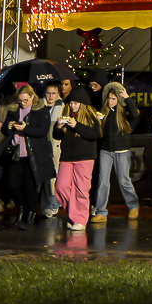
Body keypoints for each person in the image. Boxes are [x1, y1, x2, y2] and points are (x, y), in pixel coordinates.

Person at [0, 84, 50, 229]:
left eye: (26, 100)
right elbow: (5, 128)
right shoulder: (14, 109)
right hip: (15, 152)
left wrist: (26, 128)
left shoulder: (40, 110)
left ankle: (30, 214)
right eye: (21, 100)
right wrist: (7, 126)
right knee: (11, 184)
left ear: (32, 97)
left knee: (30, 186)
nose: (23, 103)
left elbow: (42, 131)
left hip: (32, 154)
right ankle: (21, 208)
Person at [91, 81, 140, 222]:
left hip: (122, 150)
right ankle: (101, 211)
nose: (110, 101)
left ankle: (133, 206)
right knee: (102, 182)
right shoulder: (103, 113)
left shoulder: (123, 113)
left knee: (124, 180)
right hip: (106, 150)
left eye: (113, 99)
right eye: (109, 98)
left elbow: (135, 115)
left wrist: (127, 98)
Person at [53, 92, 101, 229]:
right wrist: (58, 127)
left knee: (81, 189)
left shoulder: (91, 116)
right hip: (67, 157)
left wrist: (76, 125)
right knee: (60, 187)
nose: (73, 106)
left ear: (83, 104)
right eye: (71, 103)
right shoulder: (66, 115)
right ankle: (74, 213)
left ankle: (80, 220)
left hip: (85, 157)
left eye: (76, 103)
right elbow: (57, 136)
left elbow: (95, 134)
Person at [40, 81, 67, 218]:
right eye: (48, 93)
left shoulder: (63, 108)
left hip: (56, 147)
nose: (51, 96)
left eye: (54, 94)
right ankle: (47, 205)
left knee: (54, 178)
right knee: (45, 178)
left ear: (58, 94)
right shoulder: (39, 107)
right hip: (41, 146)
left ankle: (54, 204)